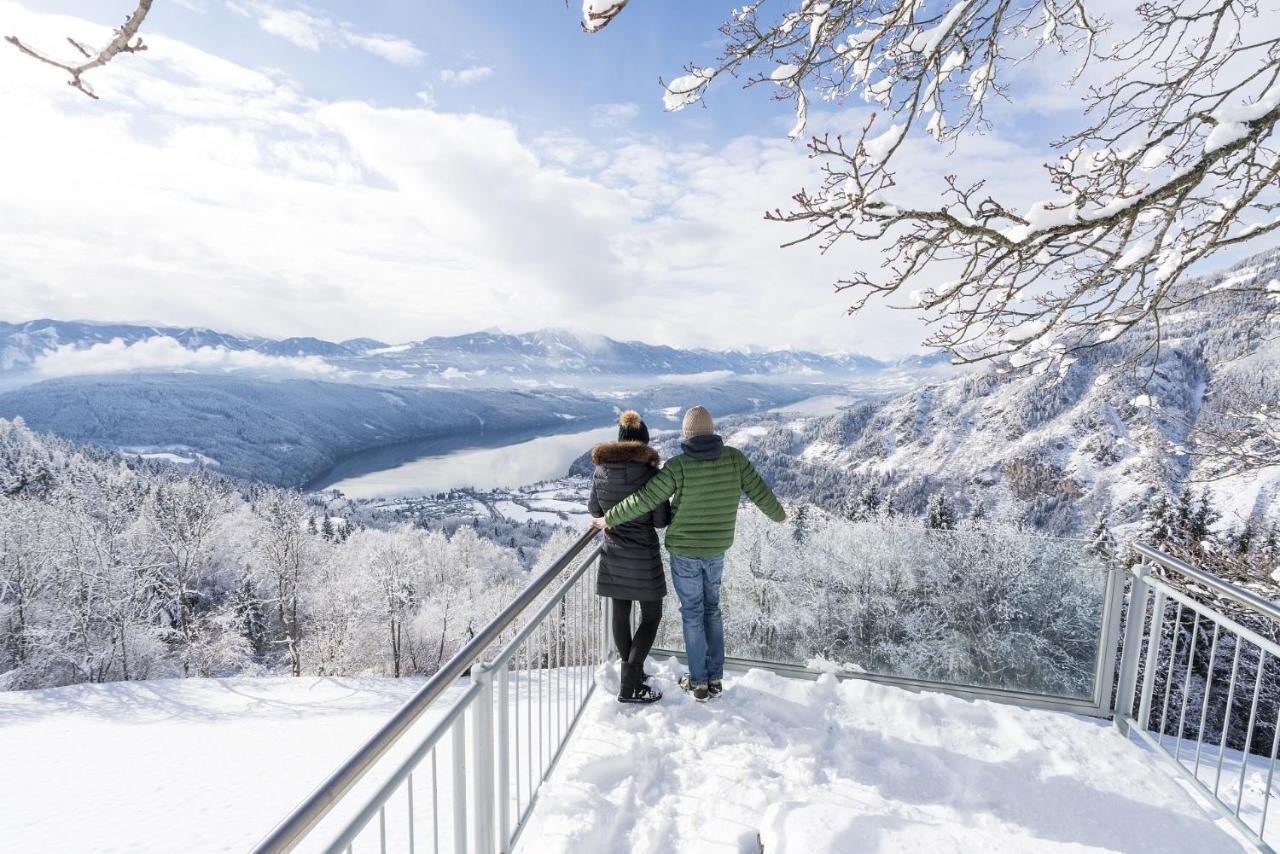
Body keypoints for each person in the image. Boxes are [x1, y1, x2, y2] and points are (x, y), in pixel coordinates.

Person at [593, 405, 786, 702]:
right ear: (712, 431)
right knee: (713, 609)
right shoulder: (734, 459)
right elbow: (761, 493)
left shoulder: (678, 466)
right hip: (716, 549)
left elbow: (645, 499)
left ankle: (698, 681)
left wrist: (609, 518)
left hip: (684, 550)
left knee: (693, 613)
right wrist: (781, 516)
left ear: (686, 433)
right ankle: (715, 678)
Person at [588, 410, 670, 704]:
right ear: (644, 443)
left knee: (620, 614)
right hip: (644, 555)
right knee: (652, 616)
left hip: (613, 552)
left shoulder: (601, 471)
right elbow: (661, 520)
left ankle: (631, 678)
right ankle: (630, 685)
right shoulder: (651, 474)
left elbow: (596, 511)